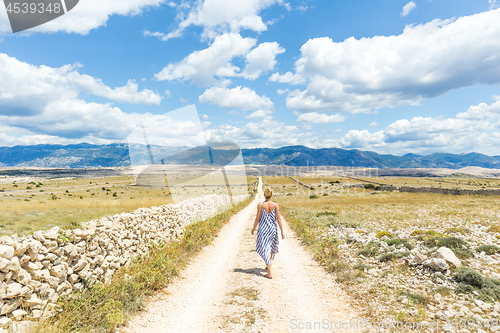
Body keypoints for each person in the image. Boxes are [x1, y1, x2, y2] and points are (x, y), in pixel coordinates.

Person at [251, 188, 285, 279]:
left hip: (263, 230)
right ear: (272, 195)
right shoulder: (275, 205)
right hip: (273, 229)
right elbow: (279, 219)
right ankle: (268, 263)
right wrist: (282, 231)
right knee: (270, 247)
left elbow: (257, 218)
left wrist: (253, 229)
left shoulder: (260, 205)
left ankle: (269, 272)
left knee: (265, 248)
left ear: (264, 195)